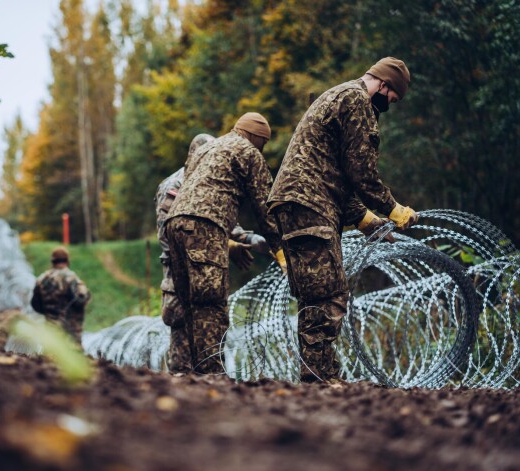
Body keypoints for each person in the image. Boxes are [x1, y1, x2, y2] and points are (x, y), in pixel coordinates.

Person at [267, 57, 419, 383]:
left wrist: (365, 220)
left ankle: (316, 378)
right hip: (310, 201)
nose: (390, 105)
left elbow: (339, 174)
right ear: (384, 84)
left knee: (315, 294)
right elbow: (361, 173)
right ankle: (322, 379)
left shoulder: (339, 95)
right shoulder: (357, 100)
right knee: (329, 293)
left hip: (300, 201)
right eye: (392, 98)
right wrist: (393, 209)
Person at [165, 112, 285, 374]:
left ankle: (195, 371)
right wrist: (280, 249)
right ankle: (212, 373)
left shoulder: (208, 148)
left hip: (174, 224)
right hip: (205, 226)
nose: (261, 149)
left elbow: (197, 189)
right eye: (262, 144)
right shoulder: (248, 152)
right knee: (211, 302)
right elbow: (265, 205)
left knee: (190, 305)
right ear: (257, 138)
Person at [31, 246, 91, 343]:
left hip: (50, 331)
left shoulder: (41, 279)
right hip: (70, 334)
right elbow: (81, 300)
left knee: (49, 356)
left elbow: (35, 305)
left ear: (53, 262)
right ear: (67, 261)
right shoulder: (71, 278)